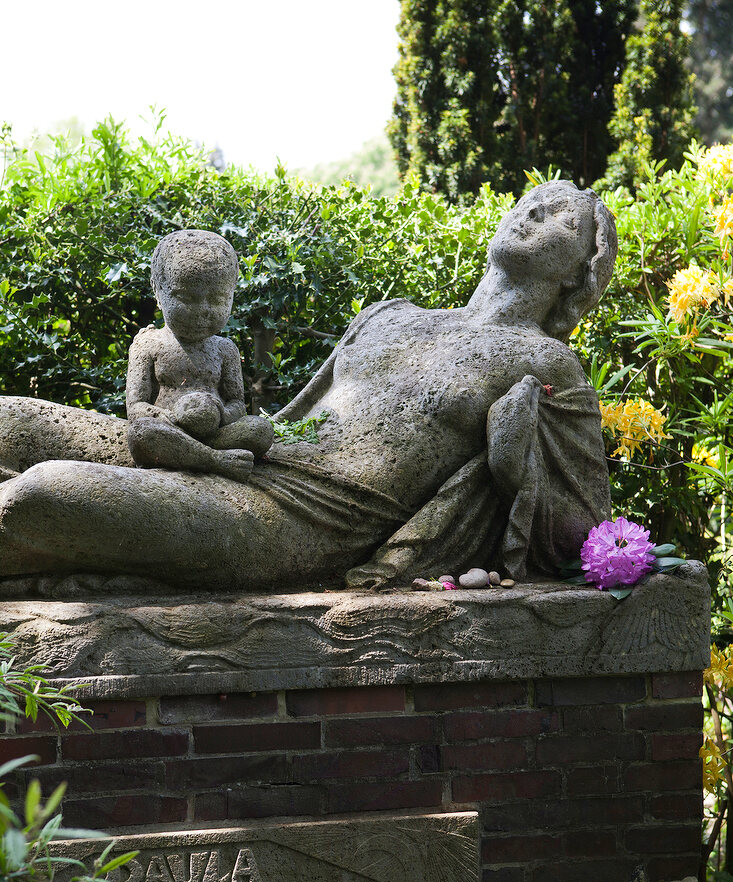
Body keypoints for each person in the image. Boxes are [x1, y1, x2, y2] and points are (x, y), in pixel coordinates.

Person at [0, 181, 616, 591]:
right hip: (245, 458)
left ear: (577, 276)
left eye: (565, 218)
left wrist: (512, 462)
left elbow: (579, 536)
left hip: (299, 521)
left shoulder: (546, 363)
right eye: (532, 200)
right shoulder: (391, 315)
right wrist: (214, 431)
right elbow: (295, 412)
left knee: (46, 494)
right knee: (10, 421)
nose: (535, 212)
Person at [126, 229, 273, 484]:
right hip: (170, 429)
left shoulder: (225, 349)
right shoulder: (148, 344)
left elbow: (237, 402)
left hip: (216, 433)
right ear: (158, 291)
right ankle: (215, 461)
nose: (202, 311)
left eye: (217, 299)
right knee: (142, 433)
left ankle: (196, 452)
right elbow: (136, 407)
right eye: (186, 298)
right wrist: (173, 417)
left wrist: (220, 414)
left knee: (260, 430)